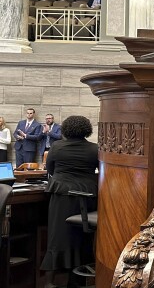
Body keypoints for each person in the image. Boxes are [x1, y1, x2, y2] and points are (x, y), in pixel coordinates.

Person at [40, 116, 99, 288]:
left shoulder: (57, 147)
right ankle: (78, 280)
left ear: (66, 129)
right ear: (87, 129)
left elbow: (50, 170)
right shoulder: (94, 149)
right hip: (88, 197)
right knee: (83, 238)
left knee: (57, 238)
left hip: (62, 196)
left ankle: (50, 282)